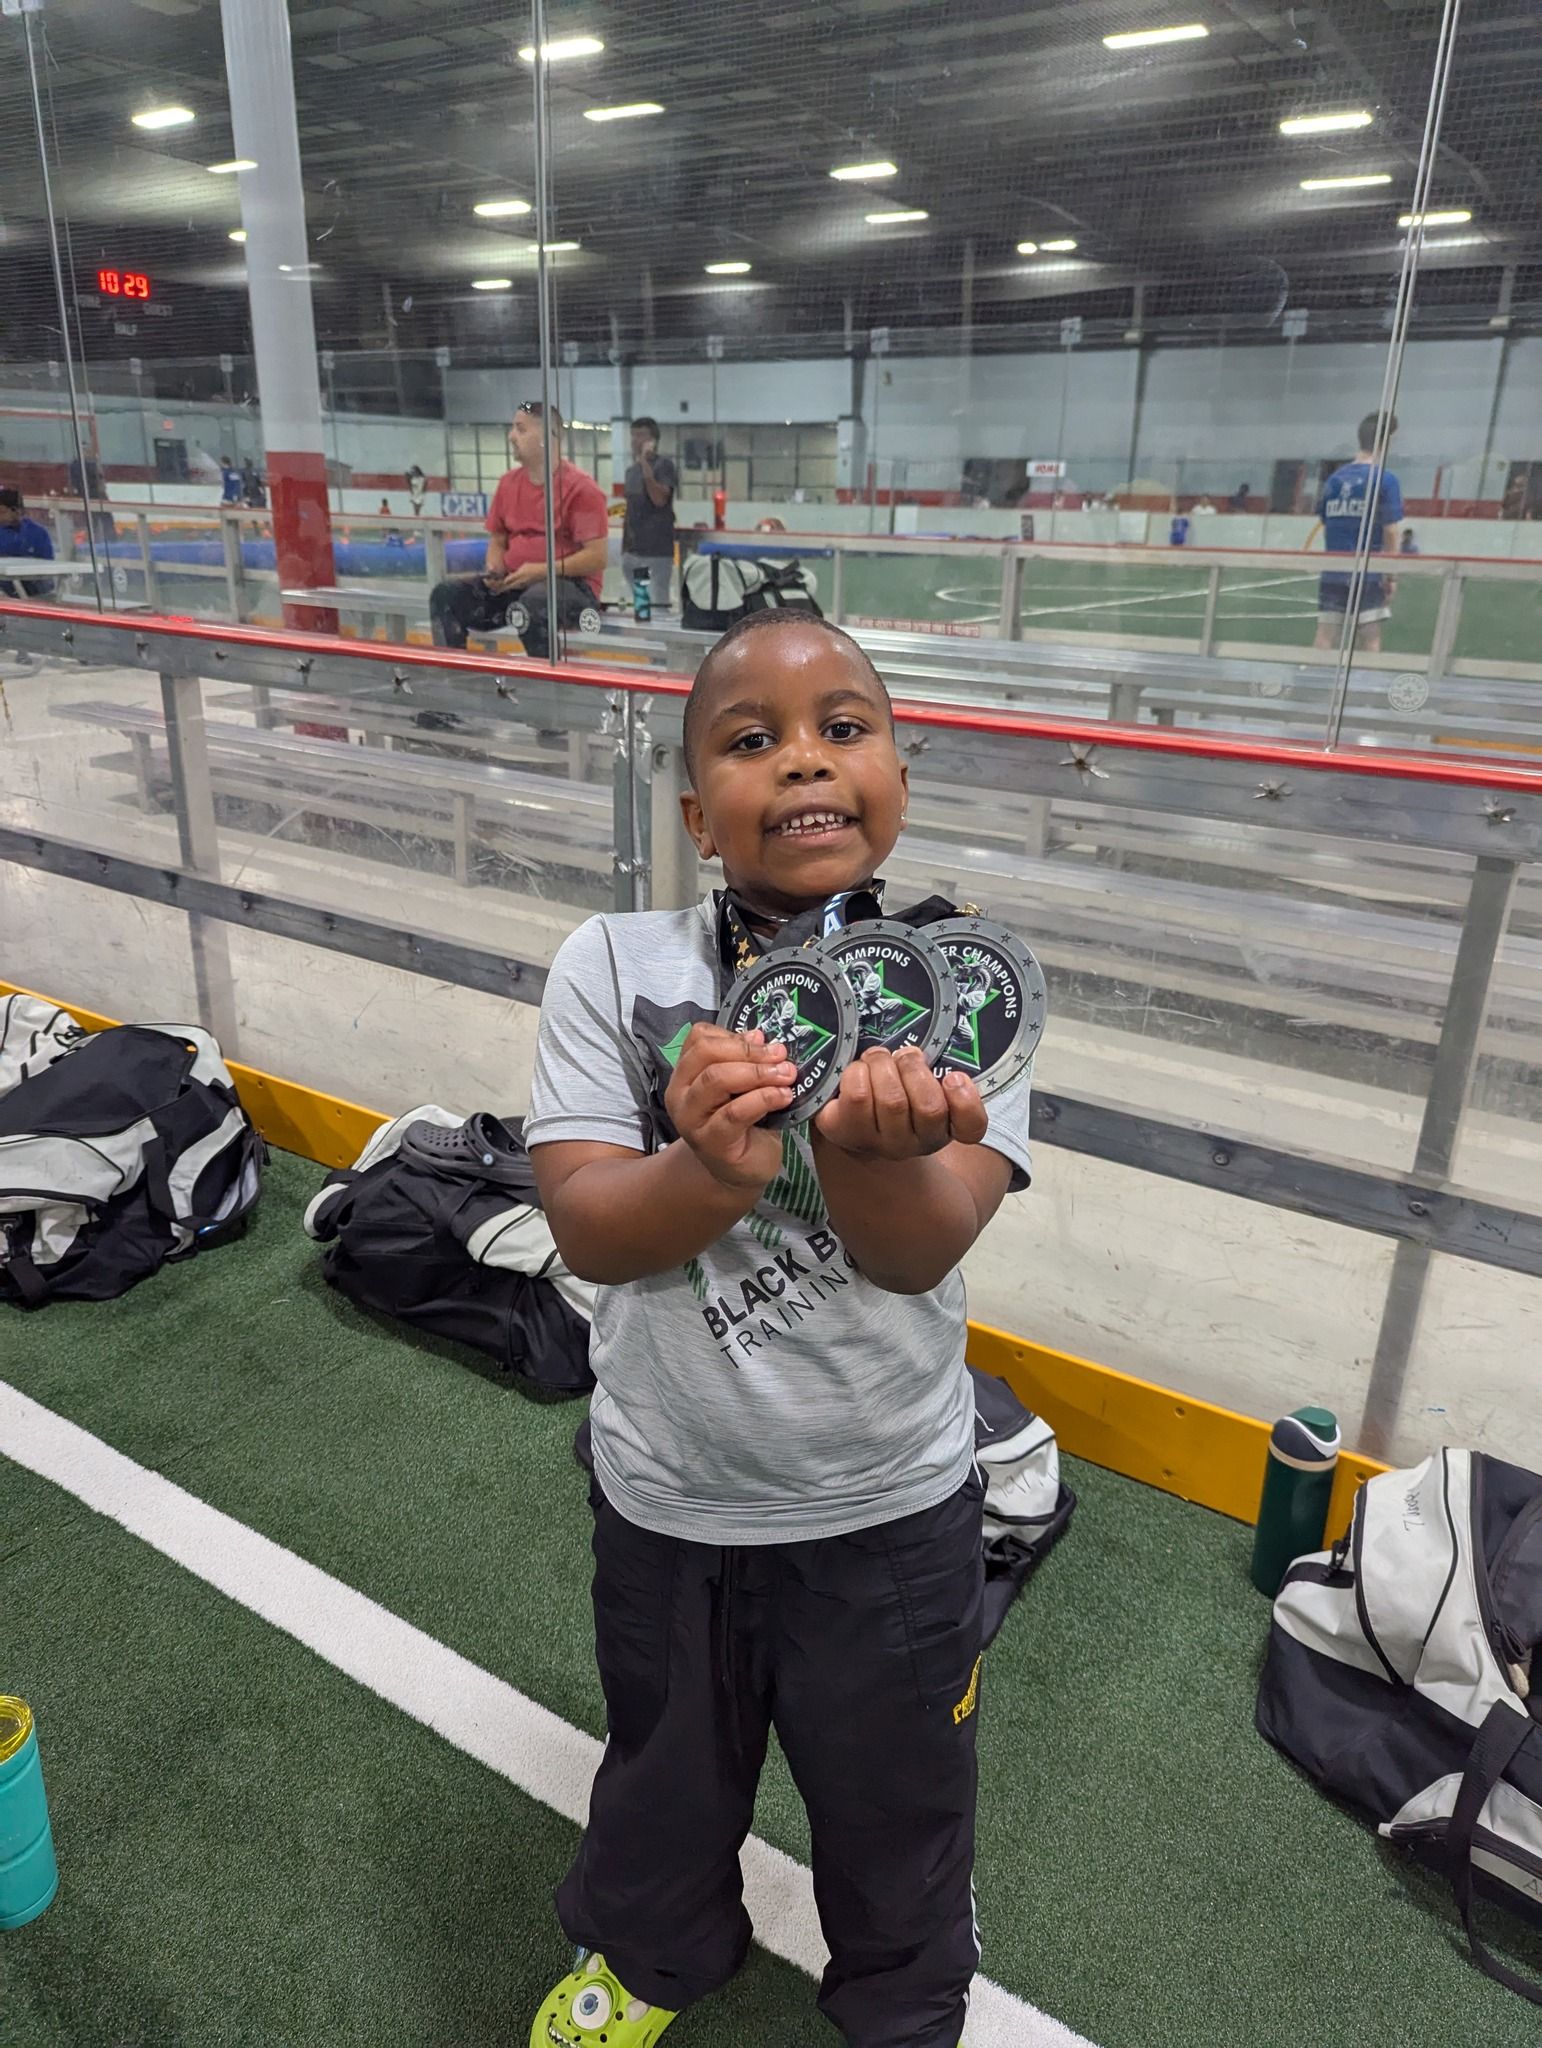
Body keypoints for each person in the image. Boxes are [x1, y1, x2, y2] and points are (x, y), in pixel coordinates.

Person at [523, 607, 1032, 2048]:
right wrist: (706, 1168)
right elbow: (584, 1227)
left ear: (898, 773)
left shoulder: (960, 990)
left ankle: (905, 2004)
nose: (802, 761)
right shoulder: (613, 969)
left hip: (886, 1506)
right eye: (752, 742)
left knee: (900, 1805)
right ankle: (647, 1948)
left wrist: (869, 1153)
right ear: (697, 811)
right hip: (669, 1497)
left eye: (842, 728)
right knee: (663, 1772)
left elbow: (920, 1246)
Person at [430, 401, 608, 659]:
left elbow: (596, 557)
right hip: (516, 584)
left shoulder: (582, 489)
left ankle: (550, 685)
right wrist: (495, 567)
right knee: (445, 596)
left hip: (570, 587)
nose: (511, 436)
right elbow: (499, 538)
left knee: (533, 606)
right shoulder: (507, 484)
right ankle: (453, 676)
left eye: (520, 429)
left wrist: (541, 571)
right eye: (513, 429)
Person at [1303, 413, 1404, 653]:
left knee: (1326, 634)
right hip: (1368, 573)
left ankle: (1315, 681)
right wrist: (1391, 576)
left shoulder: (1334, 481)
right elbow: (1391, 531)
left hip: (1334, 571)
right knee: (1370, 636)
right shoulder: (1385, 480)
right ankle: (1363, 686)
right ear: (1386, 442)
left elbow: (1327, 522)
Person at [621, 415, 678, 612]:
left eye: (641, 435)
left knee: (659, 604)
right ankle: (646, 640)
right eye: (633, 435)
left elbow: (659, 499)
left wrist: (646, 465)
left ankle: (660, 642)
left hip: (657, 552)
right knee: (642, 606)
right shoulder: (631, 471)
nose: (635, 440)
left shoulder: (664, 466)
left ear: (653, 440)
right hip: (635, 552)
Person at [0, 487, 56, 598]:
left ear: (16, 511)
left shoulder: (38, 532)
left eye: (1, 511)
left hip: (35, 584)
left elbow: (47, 562)